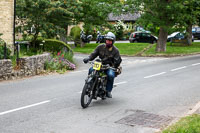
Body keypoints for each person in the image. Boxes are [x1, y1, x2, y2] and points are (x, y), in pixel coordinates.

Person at [83, 32, 122, 98]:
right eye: (107, 40)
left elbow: (117, 61)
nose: (108, 42)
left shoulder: (115, 51)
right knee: (91, 70)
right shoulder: (100, 47)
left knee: (111, 75)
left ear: (113, 42)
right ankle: (89, 86)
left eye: (110, 41)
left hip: (109, 67)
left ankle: (108, 91)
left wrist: (115, 65)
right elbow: (93, 54)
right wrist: (88, 58)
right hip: (100, 65)